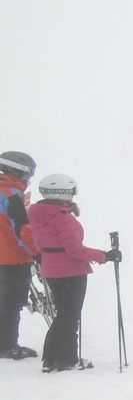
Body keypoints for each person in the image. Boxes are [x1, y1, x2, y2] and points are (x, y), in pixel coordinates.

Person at [26, 173, 119, 373]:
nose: (73, 196)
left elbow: (39, 244)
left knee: (62, 315)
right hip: (71, 271)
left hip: (51, 269)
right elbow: (75, 250)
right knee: (70, 317)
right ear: (61, 193)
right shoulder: (62, 217)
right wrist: (106, 256)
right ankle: (67, 360)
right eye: (71, 192)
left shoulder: (36, 213)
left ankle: (50, 359)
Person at [0, 151, 40, 360]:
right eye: (28, 172)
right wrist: (37, 252)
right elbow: (22, 229)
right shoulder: (12, 195)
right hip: (13, 258)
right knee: (11, 303)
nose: (30, 177)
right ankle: (6, 346)